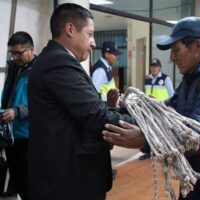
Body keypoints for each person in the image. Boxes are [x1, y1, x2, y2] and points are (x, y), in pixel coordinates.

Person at [103, 16, 200, 200]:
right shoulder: (192, 78)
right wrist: (120, 113)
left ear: (197, 46)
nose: (171, 58)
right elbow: (167, 111)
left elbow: (198, 135)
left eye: (176, 50)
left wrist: (145, 139)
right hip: (196, 180)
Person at [27, 3, 145, 200]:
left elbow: (85, 110)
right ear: (70, 29)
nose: (93, 43)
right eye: (90, 34)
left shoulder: (58, 61)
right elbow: (96, 115)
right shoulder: (58, 64)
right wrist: (150, 126)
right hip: (67, 183)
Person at [0, 31, 36, 200]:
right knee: (18, 180)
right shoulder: (14, 67)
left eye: (19, 53)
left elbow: (43, 102)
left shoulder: (40, 70)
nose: (14, 57)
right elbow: (8, 96)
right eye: (12, 53)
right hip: (11, 133)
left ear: (31, 49)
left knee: (29, 182)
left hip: (29, 135)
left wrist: (17, 111)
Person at [139, 58, 174, 160]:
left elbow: (171, 95)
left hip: (161, 109)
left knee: (162, 131)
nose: (154, 68)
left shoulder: (165, 79)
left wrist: (167, 107)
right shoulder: (147, 78)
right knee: (148, 130)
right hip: (149, 109)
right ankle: (148, 151)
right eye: (152, 66)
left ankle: (164, 151)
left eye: (156, 66)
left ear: (159, 68)